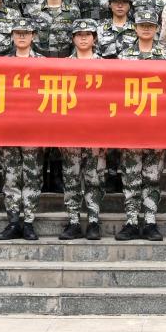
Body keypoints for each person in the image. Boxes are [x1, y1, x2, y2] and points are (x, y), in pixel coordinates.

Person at [115, 9, 166, 242]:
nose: (146, 29)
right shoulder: (124, 56)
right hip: (131, 125)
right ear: (135, 28)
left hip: (156, 125)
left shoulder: (165, 57)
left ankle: (149, 221)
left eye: (150, 25)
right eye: (142, 25)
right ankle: (131, 220)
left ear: (156, 29)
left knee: (153, 176)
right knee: (131, 175)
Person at [59, 20, 107, 241]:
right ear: (73, 39)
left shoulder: (106, 66)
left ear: (94, 38)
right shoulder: (62, 66)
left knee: (94, 177)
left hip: (96, 131)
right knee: (71, 176)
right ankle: (73, 221)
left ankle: (94, 220)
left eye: (88, 34)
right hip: (70, 131)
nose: (84, 38)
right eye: (79, 34)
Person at [0, 19, 43, 240]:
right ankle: (14, 221)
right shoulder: (2, 64)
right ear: (12, 36)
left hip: (34, 128)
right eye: (18, 33)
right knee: (11, 175)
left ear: (33, 36)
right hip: (8, 128)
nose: (22, 36)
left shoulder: (44, 63)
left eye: (26, 32)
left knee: (32, 175)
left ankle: (29, 222)